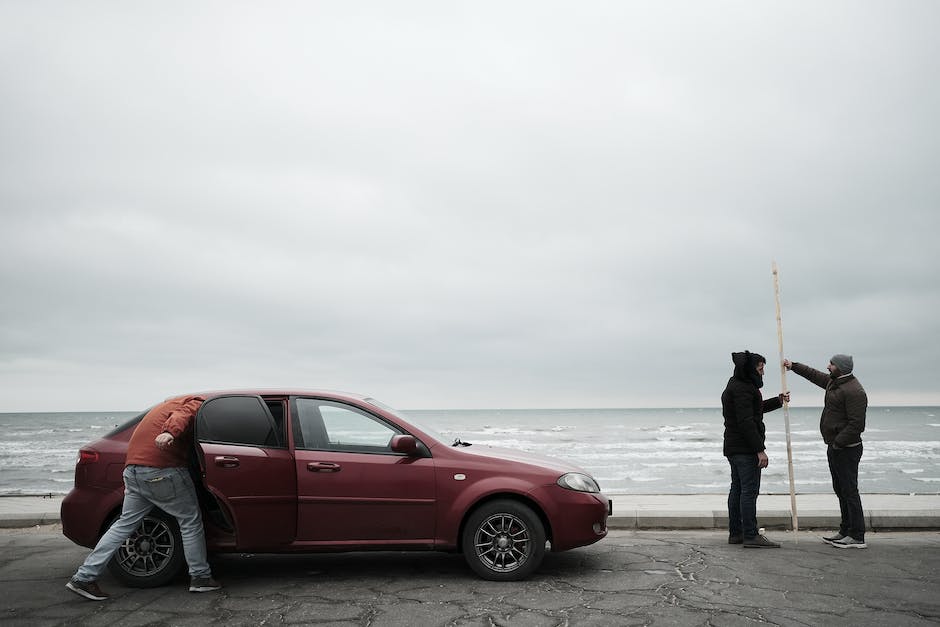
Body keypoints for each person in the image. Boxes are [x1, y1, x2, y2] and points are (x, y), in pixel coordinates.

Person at [66, 395, 221, 601]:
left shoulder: (161, 407)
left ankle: (84, 577)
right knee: (190, 521)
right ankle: (200, 577)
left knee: (124, 524)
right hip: (161, 471)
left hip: (133, 472)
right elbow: (182, 416)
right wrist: (169, 433)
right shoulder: (194, 402)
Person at [785, 354, 868, 549]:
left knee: (849, 491)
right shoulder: (835, 383)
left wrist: (838, 442)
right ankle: (845, 530)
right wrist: (793, 366)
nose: (828, 366)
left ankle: (857, 536)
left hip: (847, 449)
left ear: (840, 367)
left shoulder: (854, 391)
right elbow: (814, 375)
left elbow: (857, 424)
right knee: (840, 490)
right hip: (835, 446)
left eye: (831, 364)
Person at [722, 351, 789, 548]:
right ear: (750, 369)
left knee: (738, 490)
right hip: (744, 449)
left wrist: (778, 400)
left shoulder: (736, 385)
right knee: (748, 492)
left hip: (735, 447)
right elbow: (746, 422)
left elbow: (754, 409)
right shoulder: (742, 388)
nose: (763, 373)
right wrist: (760, 449)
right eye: (760, 368)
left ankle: (736, 533)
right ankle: (750, 535)